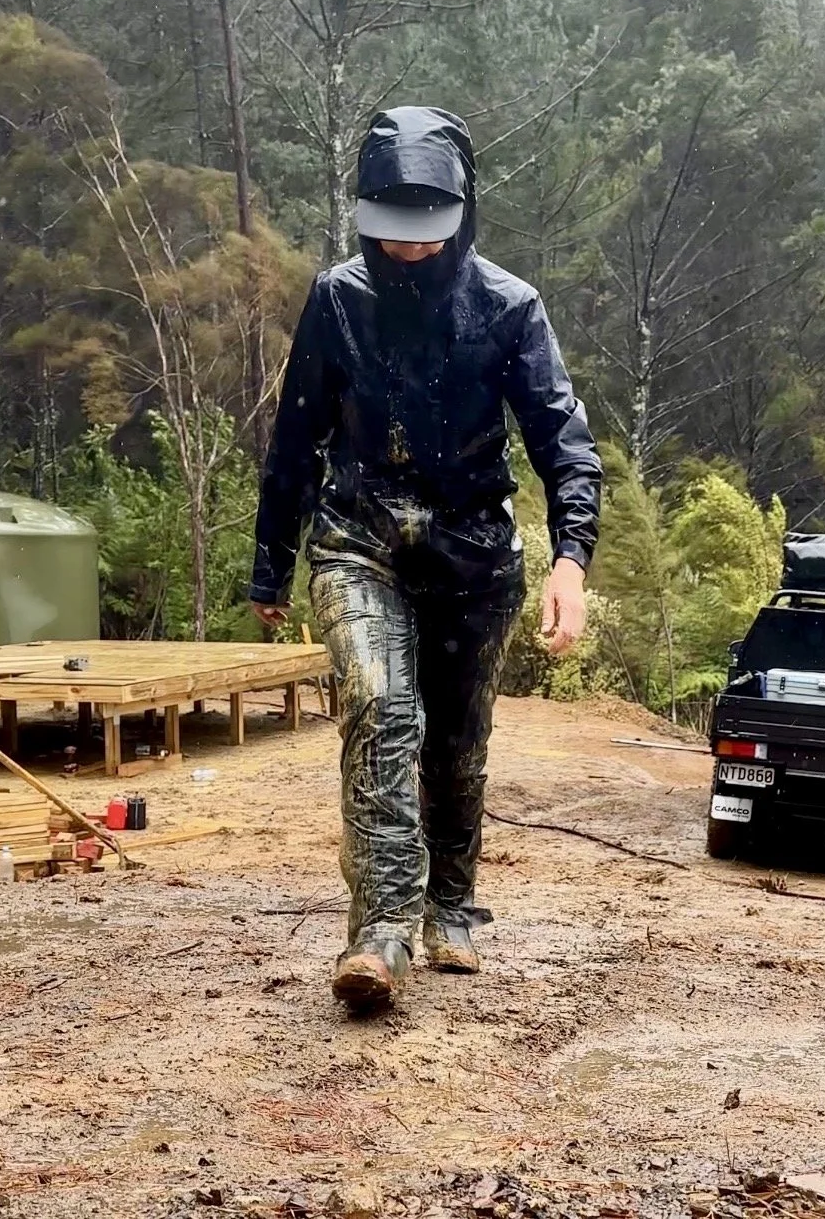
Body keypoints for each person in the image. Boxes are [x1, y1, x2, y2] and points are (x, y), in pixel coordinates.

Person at [249, 106, 602, 1008]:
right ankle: (379, 931)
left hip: (474, 556)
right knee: (378, 708)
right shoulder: (336, 300)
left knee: (455, 745)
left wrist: (571, 560)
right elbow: (295, 438)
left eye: (426, 234)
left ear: (462, 212)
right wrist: (268, 566)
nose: (408, 251)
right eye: (391, 233)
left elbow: (563, 441)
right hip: (358, 539)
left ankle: (452, 903)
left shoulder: (511, 308)